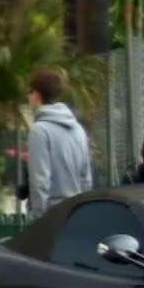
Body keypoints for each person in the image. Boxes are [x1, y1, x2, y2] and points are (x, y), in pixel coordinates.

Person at [26, 67, 92, 220]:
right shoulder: (78, 129)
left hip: (51, 215)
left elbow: (40, 180)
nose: (28, 97)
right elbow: (86, 179)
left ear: (37, 95)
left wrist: (38, 217)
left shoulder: (39, 131)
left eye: (29, 92)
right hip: (75, 214)